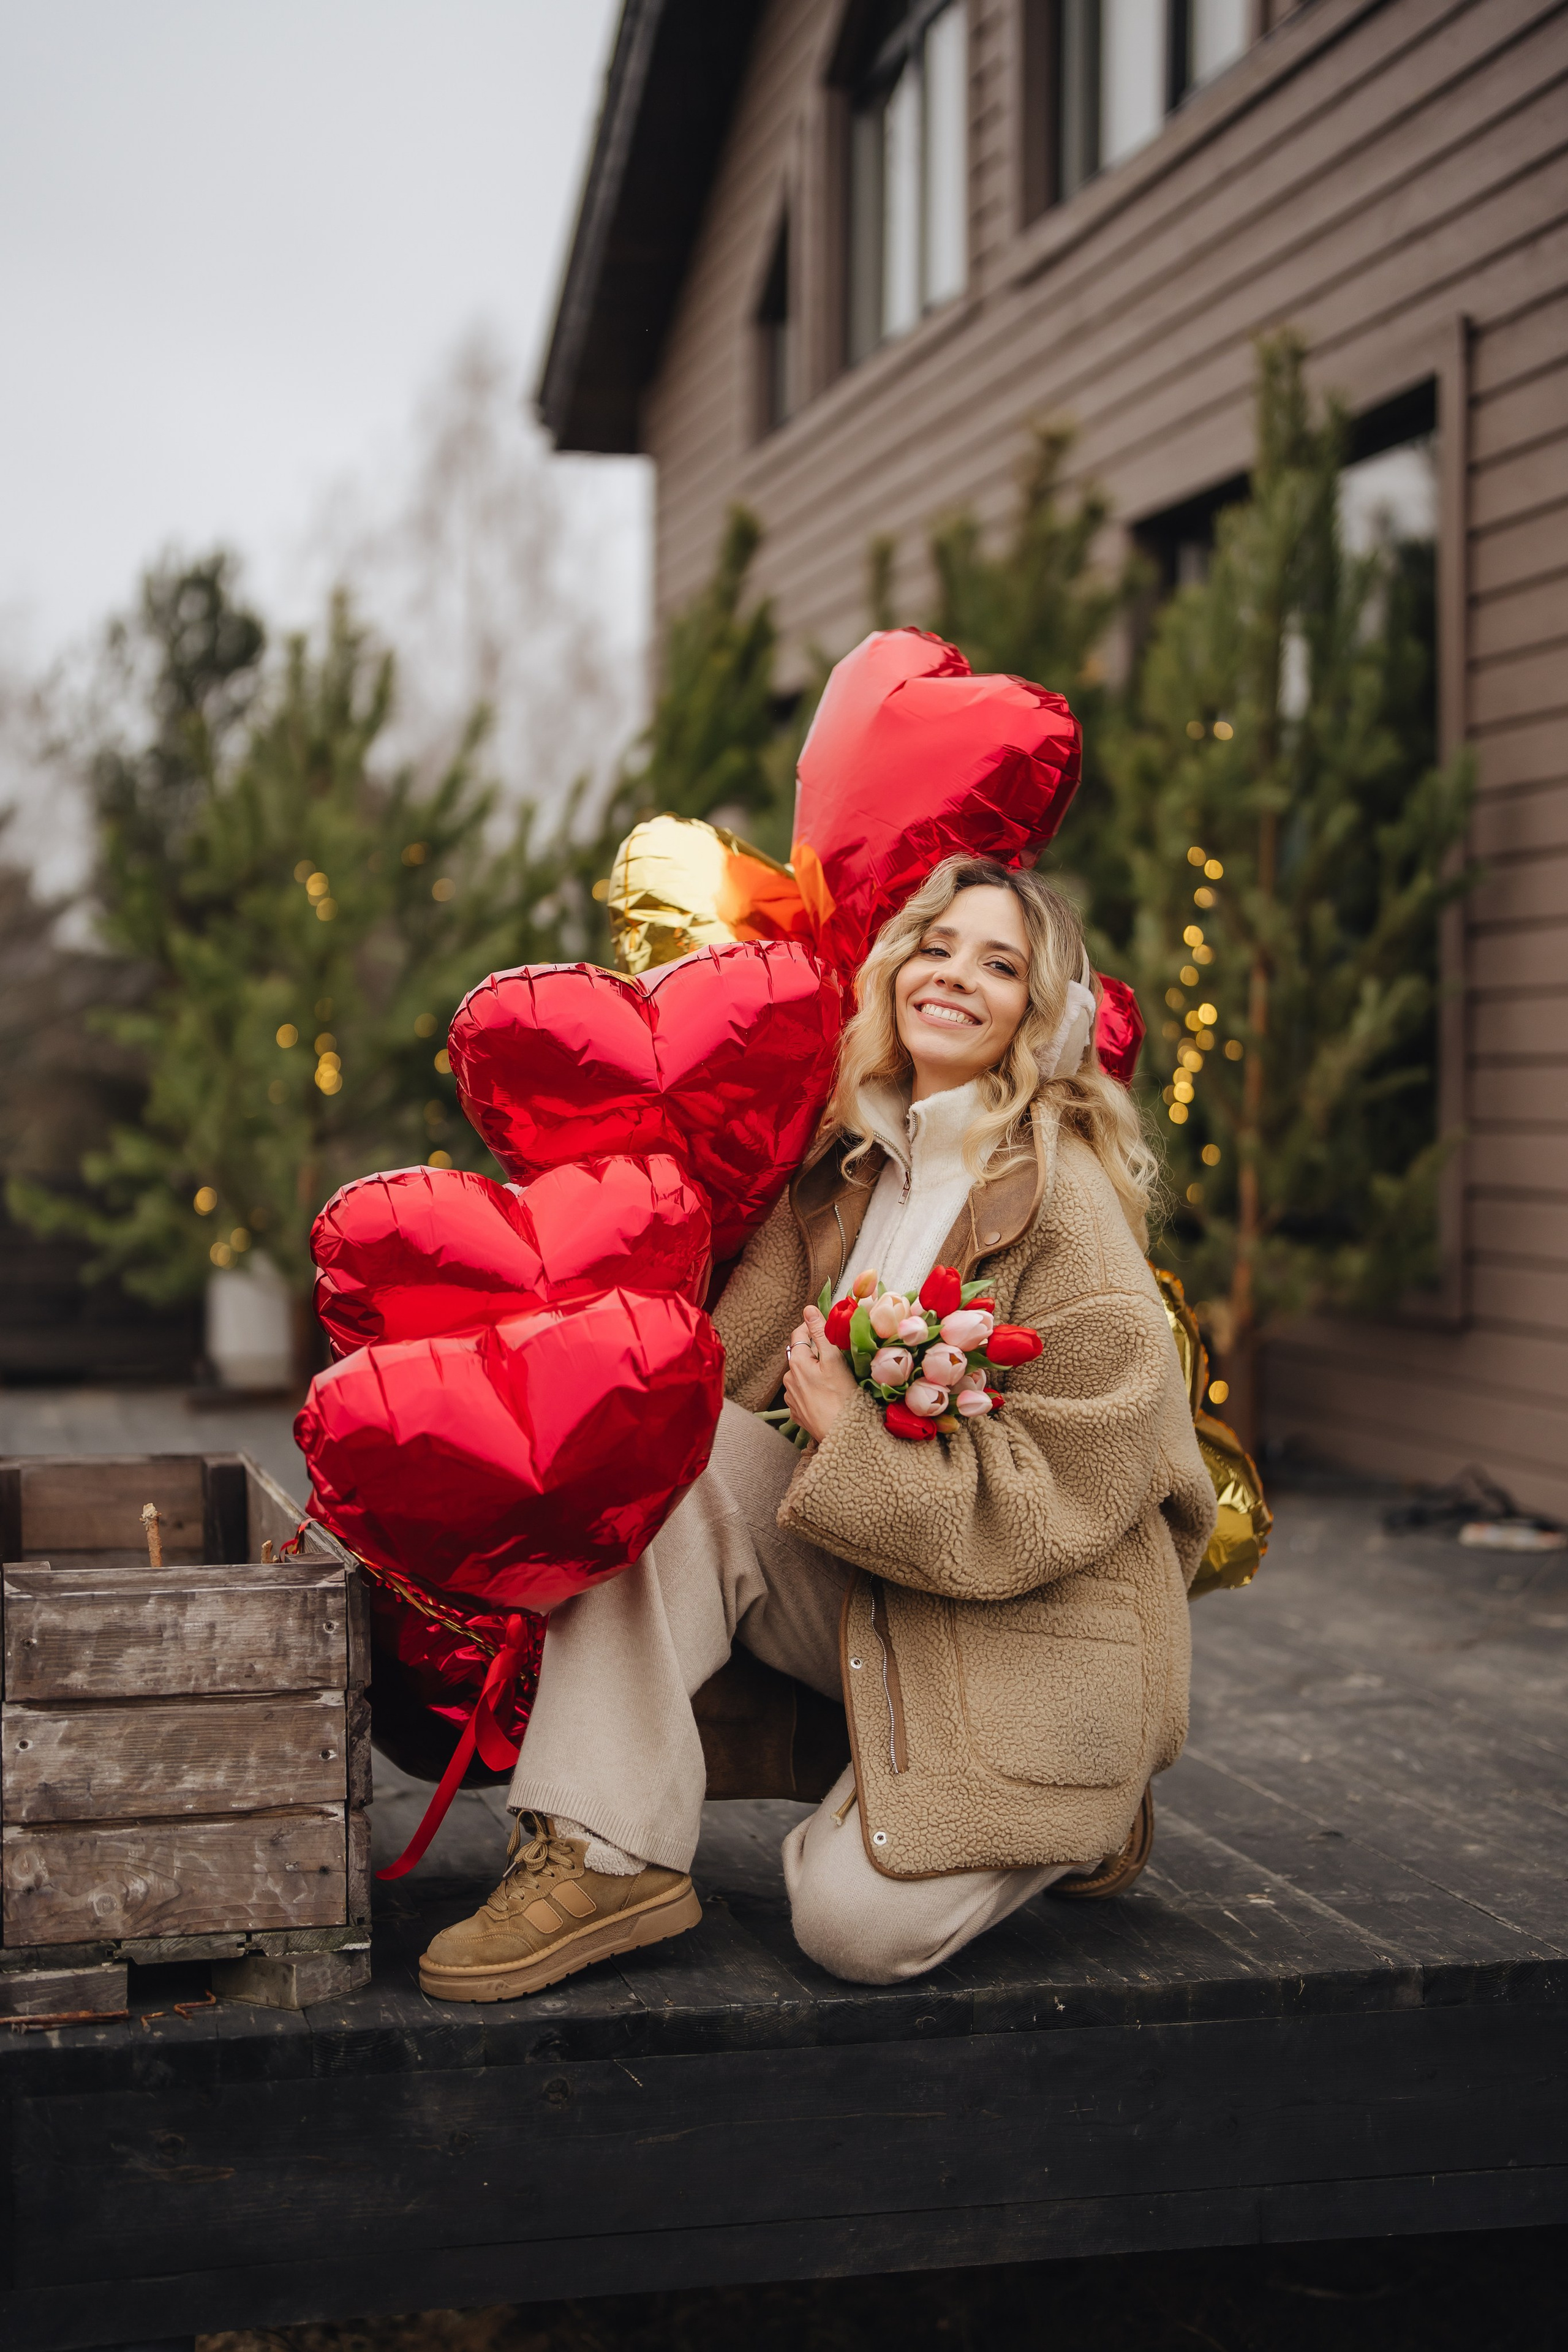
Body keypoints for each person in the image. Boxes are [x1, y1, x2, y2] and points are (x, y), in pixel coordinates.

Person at [420, 856, 1216, 2002]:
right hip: (882, 1577)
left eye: (999, 965)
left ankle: (1070, 1802)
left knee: (851, 1933)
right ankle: (601, 1851)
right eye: (936, 946)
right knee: (675, 1464)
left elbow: (1067, 1494)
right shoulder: (845, 1174)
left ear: (1039, 1022)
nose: (954, 976)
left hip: (1034, 1619)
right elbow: (723, 1381)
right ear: (896, 970)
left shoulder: (1069, 1209)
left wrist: (853, 1439)